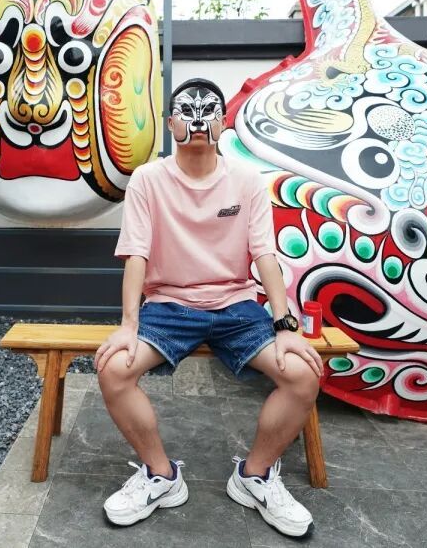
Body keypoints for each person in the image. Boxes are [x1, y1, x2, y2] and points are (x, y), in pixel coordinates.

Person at [93, 78, 323, 537]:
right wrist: (128, 324)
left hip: (235, 305)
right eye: (187, 111)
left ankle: (254, 476)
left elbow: (264, 254)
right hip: (170, 304)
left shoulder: (246, 180)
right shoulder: (148, 180)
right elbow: (136, 253)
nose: (197, 121)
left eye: (208, 111)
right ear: (171, 122)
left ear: (222, 122)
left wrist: (285, 326)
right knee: (113, 369)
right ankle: (161, 475)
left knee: (302, 374)